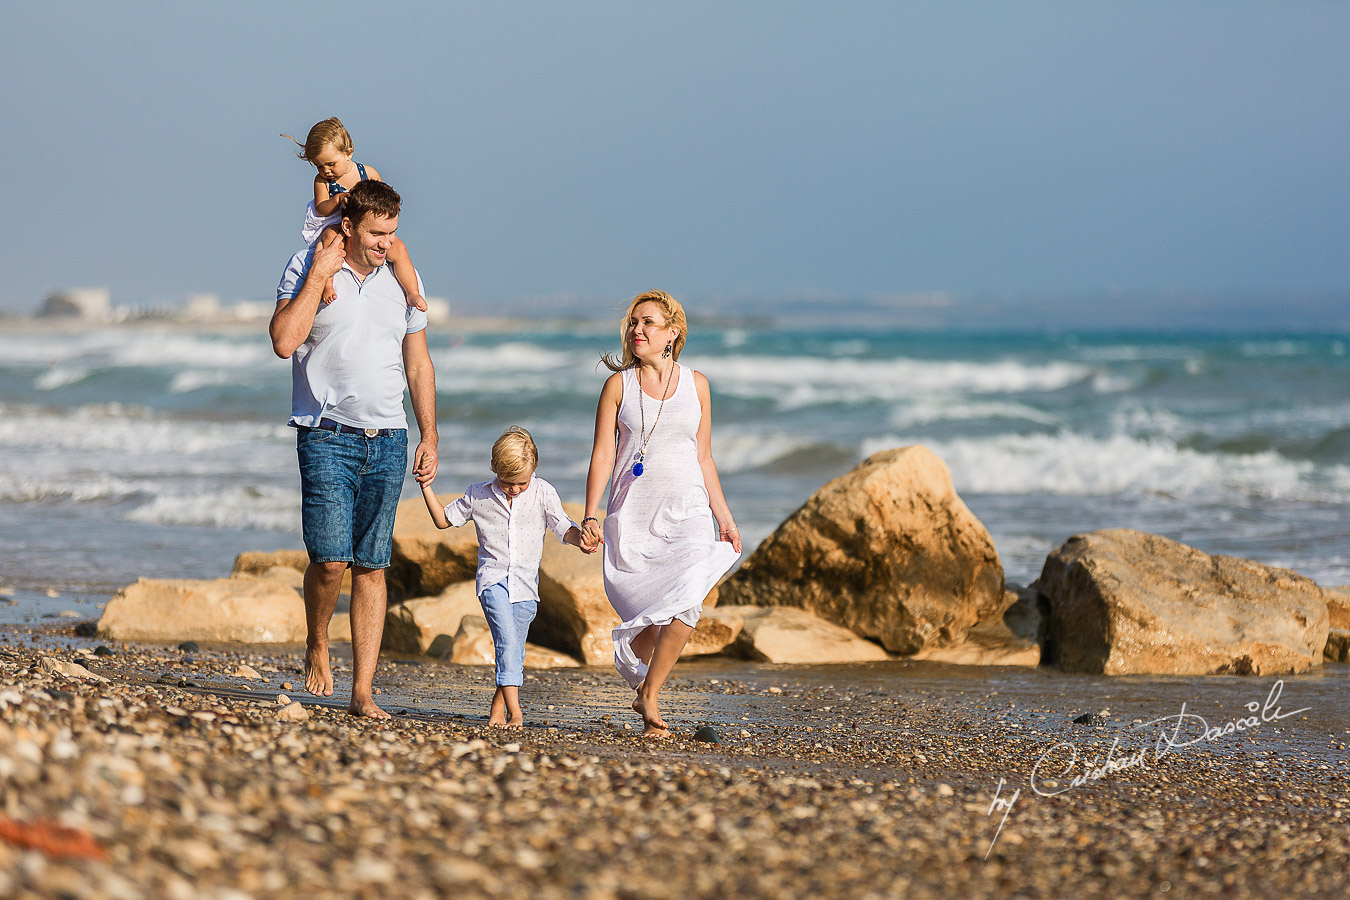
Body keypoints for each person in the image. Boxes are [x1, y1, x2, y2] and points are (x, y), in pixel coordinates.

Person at [269, 179, 438, 719]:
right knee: (330, 562)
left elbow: (418, 363)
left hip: (388, 437)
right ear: (348, 225)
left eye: (392, 233)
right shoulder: (307, 265)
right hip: (325, 433)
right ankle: (318, 640)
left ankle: (362, 691)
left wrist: (429, 433)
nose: (385, 243)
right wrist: (320, 274)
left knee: (372, 564)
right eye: (375, 233)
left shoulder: (401, 282)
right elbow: (283, 341)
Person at [581, 290, 742, 737]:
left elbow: (705, 458)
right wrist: (591, 515)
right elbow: (601, 457)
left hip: (688, 511)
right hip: (633, 515)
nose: (638, 330)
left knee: (689, 601)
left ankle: (649, 693)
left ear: (673, 333)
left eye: (648, 323)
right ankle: (637, 665)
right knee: (650, 616)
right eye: (634, 323)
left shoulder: (698, 386)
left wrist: (724, 518)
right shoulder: (619, 386)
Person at [421, 426, 598, 727]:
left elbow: (562, 528)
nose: (514, 489)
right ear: (494, 469)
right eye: (507, 482)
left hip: (527, 588)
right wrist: (426, 486)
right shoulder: (478, 495)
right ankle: (516, 713)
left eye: (521, 483)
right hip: (493, 581)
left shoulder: (543, 493)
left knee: (514, 649)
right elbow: (442, 520)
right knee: (507, 643)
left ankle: (496, 711)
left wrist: (581, 539)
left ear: (534, 471)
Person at [282, 117, 427, 311]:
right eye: (319, 166)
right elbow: (321, 208)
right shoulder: (322, 182)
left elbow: (383, 197)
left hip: (367, 226)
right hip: (336, 221)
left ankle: (412, 292)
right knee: (329, 241)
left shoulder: (367, 172)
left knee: (399, 250)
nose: (326, 170)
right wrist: (337, 200)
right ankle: (327, 284)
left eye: (331, 164)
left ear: (348, 153)